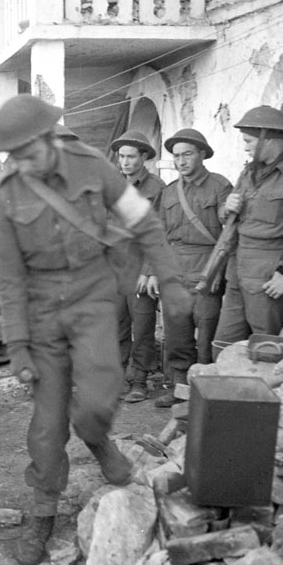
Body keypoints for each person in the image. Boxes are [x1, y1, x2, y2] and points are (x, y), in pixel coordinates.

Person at [0, 94, 191, 565]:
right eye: (12, 155)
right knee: (47, 423)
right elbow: (10, 277)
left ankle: (96, 437)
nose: (21, 162)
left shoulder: (92, 165)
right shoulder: (6, 192)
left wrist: (170, 276)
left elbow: (142, 220)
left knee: (100, 396)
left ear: (47, 139)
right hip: (40, 314)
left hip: (92, 300)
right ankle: (42, 512)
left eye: (27, 151)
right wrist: (17, 343)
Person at [154, 128, 233, 407]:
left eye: (187, 154)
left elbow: (230, 229)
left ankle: (205, 390)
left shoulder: (220, 186)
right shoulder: (168, 192)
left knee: (208, 331)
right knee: (177, 334)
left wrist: (218, 271)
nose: (181, 161)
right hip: (175, 269)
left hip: (207, 267)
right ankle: (178, 388)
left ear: (202, 154)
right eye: (176, 156)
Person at [214, 106, 283, 343]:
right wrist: (226, 207)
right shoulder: (248, 173)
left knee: (265, 345)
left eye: (249, 141)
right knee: (223, 343)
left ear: (268, 139)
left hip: (269, 269)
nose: (245, 147)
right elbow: (227, 218)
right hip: (237, 265)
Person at [110, 130, 165, 403]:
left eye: (131, 156)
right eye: (121, 156)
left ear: (144, 157)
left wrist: (149, 270)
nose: (125, 162)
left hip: (140, 268)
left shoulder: (156, 188)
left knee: (143, 326)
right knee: (117, 325)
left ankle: (140, 380)